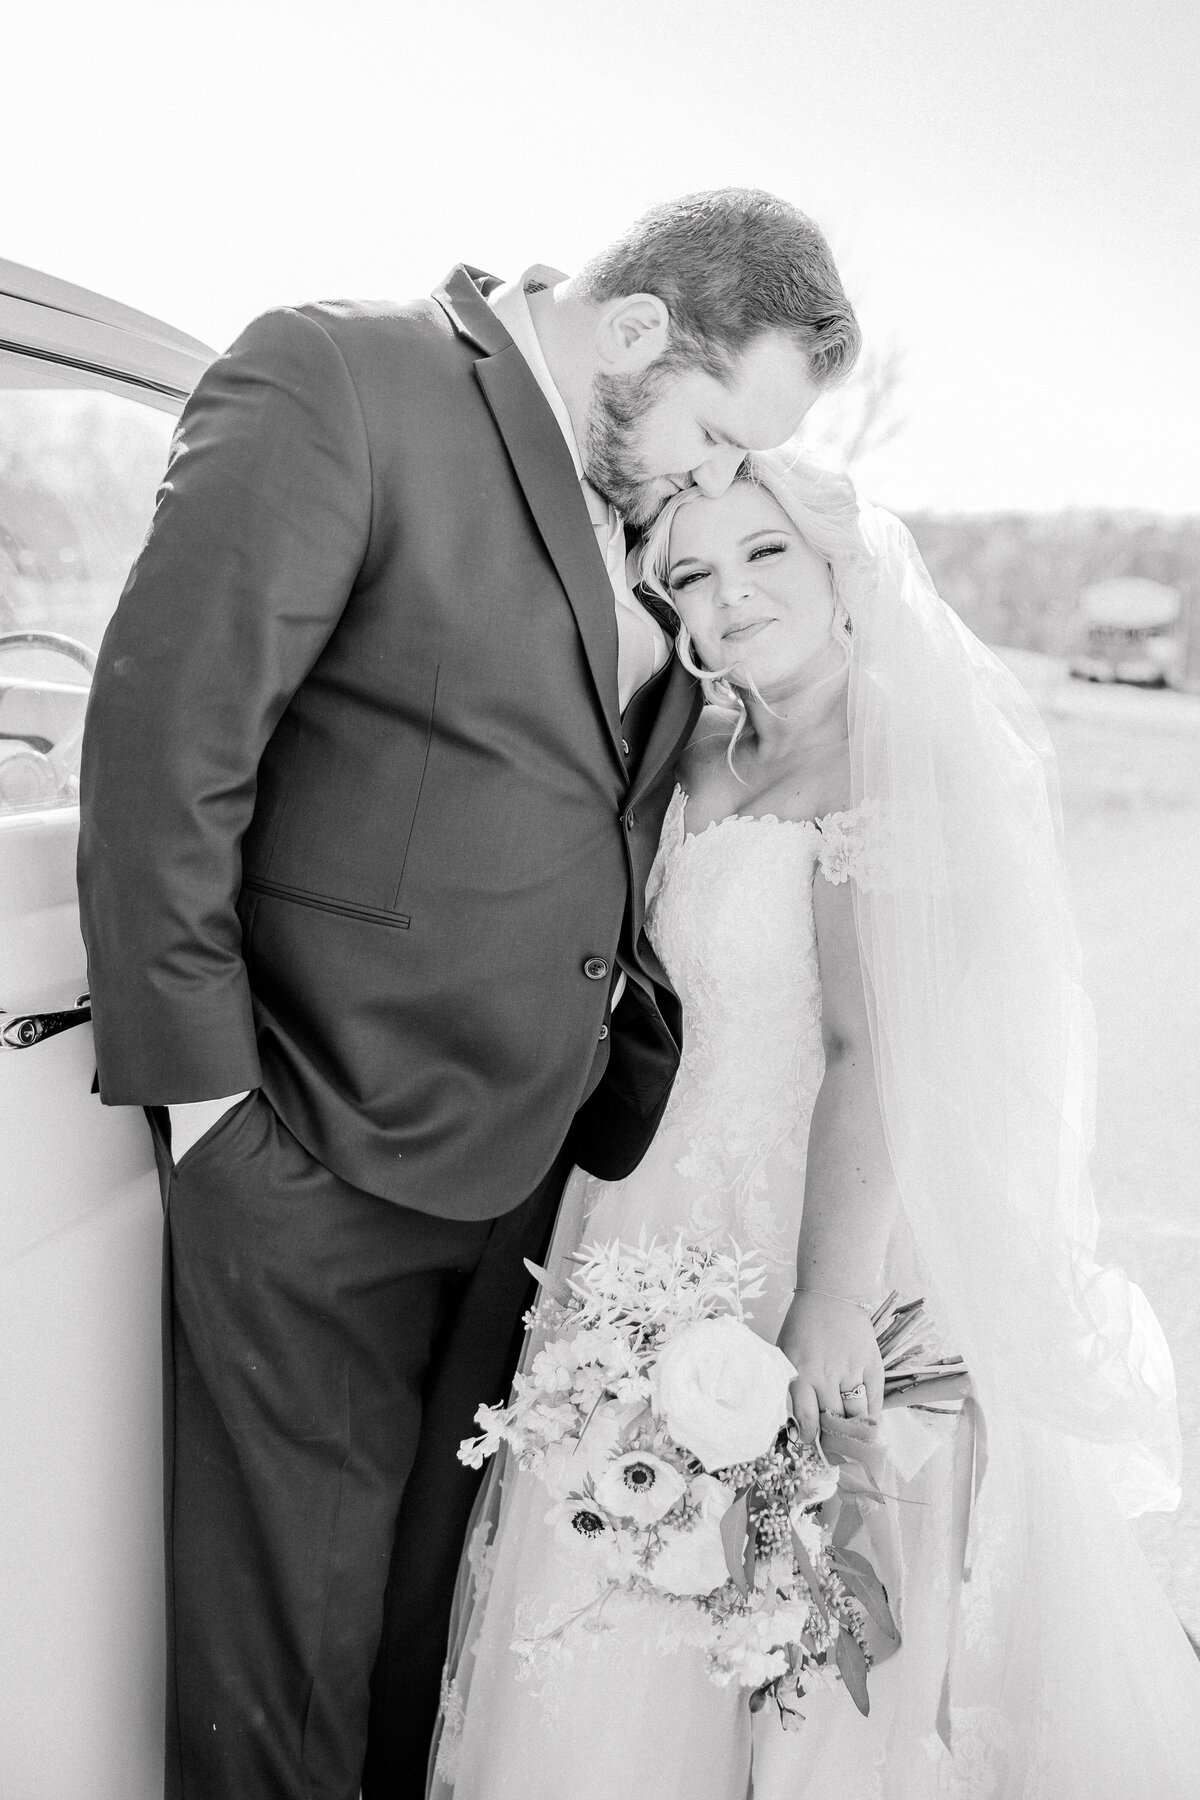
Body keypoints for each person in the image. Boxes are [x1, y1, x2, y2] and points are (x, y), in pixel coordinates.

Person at [75, 190, 860, 1799]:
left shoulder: (626, 506)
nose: (716, 479)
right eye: (718, 434)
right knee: (281, 1674)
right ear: (638, 330)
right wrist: (212, 1106)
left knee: (416, 1664)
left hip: (530, 1192)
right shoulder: (341, 379)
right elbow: (168, 742)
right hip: (308, 1147)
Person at [433, 454, 1200, 1798]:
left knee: (780, 1614)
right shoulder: (704, 741)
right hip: (645, 1227)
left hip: (800, 1233)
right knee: (622, 1571)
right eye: (689, 576)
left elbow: (873, 1052)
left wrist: (831, 1297)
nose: (726, 598)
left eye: (762, 555)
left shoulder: (890, 761)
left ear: (841, 563)